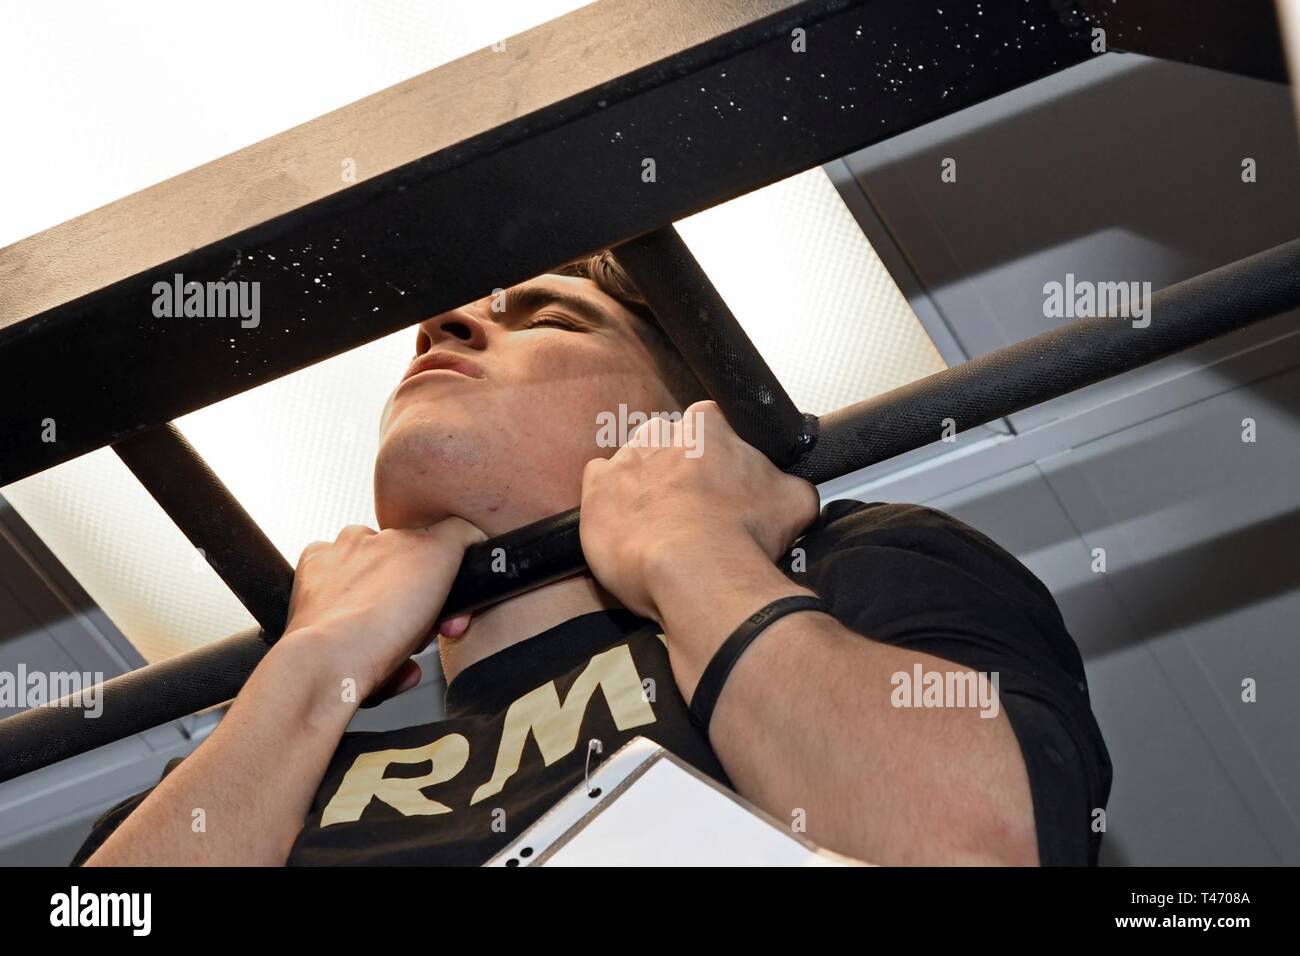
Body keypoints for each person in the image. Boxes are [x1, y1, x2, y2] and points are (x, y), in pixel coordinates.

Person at [73, 251, 1111, 866]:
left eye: (547, 318)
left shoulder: (838, 575)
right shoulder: (278, 773)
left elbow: (978, 845)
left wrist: (691, 547)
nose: (441, 326)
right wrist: (312, 662)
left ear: (677, 424)